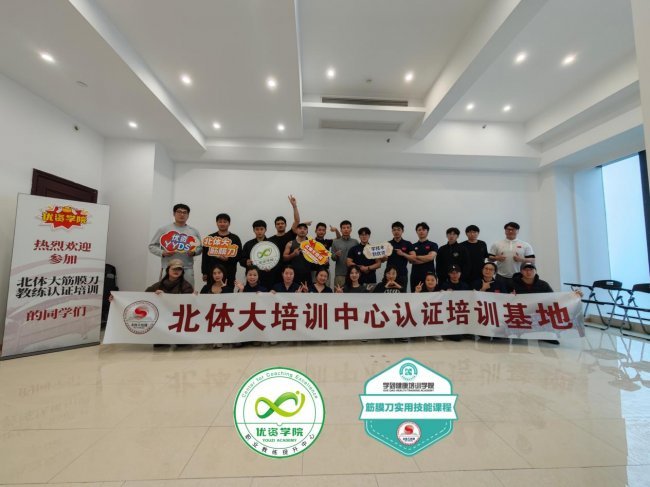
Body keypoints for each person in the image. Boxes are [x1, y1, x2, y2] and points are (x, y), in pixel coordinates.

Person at [148, 203, 202, 288]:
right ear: (174, 213)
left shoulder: (194, 231)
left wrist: (194, 252)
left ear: (188, 215)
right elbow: (152, 246)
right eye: (179, 212)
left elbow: (200, 248)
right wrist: (163, 252)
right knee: (165, 292)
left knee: (188, 292)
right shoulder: (164, 229)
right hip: (168, 267)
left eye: (184, 212)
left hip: (187, 267)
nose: (182, 214)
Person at [144, 258, 194, 349]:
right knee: (160, 345)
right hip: (163, 320)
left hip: (179, 320)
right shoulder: (159, 285)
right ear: (168, 270)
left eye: (179, 269)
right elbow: (145, 295)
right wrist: (155, 294)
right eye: (174, 269)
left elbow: (188, 303)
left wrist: (166, 297)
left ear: (182, 272)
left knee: (182, 345)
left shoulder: (186, 286)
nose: (176, 271)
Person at [489, 221, 535, 291]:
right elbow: (489, 258)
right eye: (508, 229)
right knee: (500, 296)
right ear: (505, 231)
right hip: (500, 276)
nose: (510, 231)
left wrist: (521, 259)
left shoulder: (525, 245)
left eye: (513, 229)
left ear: (517, 231)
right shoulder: (497, 244)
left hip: (519, 276)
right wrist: (497, 258)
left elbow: (533, 260)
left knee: (518, 296)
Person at [201, 213, 242, 287]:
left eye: (225, 222)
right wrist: (204, 272)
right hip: (213, 273)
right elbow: (205, 257)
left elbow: (239, 255)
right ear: (216, 223)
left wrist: (228, 259)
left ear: (229, 223)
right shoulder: (211, 238)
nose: (222, 224)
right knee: (212, 291)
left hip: (229, 272)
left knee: (228, 292)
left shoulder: (235, 238)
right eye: (220, 222)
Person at [239, 220, 275, 290]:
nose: (259, 231)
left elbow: (277, 260)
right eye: (257, 229)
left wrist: (271, 267)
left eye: (261, 229)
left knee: (267, 295)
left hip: (267, 276)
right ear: (254, 230)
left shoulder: (271, 244)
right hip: (252, 278)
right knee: (251, 295)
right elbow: (241, 259)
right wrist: (246, 262)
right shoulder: (248, 244)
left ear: (265, 230)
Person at [414, 272, 443, 342]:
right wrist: (416, 292)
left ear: (436, 281)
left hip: (435, 313)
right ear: (425, 281)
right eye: (428, 280)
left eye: (432, 280)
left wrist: (445, 293)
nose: (430, 282)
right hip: (423, 313)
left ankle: (436, 332)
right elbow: (413, 303)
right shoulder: (420, 288)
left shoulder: (440, 289)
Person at [386, 221, 416, 290]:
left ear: (402, 231)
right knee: (388, 294)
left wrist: (403, 254)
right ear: (392, 231)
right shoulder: (387, 244)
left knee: (402, 294)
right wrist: (384, 257)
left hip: (402, 274)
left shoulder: (408, 243)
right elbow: (382, 259)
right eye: (394, 230)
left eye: (398, 229)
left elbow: (414, 258)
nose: (396, 231)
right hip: (389, 275)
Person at [410, 222, 438, 292]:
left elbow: (431, 257)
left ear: (427, 231)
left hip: (429, 277)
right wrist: (426, 258)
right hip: (415, 275)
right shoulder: (412, 246)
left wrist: (416, 257)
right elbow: (411, 260)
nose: (421, 231)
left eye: (423, 229)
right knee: (415, 296)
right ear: (416, 232)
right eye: (419, 230)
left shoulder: (433, 244)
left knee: (430, 297)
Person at [331, 220, 359, 288]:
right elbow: (332, 258)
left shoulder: (355, 242)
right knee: (339, 293)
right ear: (341, 230)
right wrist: (336, 255)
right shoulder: (335, 242)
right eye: (344, 228)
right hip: (340, 274)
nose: (346, 229)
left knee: (354, 293)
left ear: (351, 229)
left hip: (353, 274)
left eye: (348, 227)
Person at [283, 223, 312, 287]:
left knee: (308, 292)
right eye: (300, 228)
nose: (302, 230)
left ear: (307, 231)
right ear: (296, 230)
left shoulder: (312, 244)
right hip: (293, 275)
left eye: (305, 229)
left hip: (307, 274)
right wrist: (293, 254)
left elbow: (318, 258)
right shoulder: (290, 243)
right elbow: (284, 258)